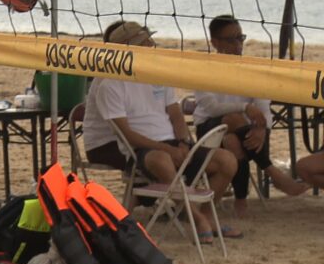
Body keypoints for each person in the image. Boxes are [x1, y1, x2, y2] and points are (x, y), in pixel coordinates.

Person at [83, 21, 241, 244]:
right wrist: (166, 148)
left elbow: (176, 115)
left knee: (227, 160)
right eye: (145, 42)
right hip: (143, 148)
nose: (152, 45)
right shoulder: (109, 84)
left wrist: (184, 141)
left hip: (169, 142)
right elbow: (127, 135)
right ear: (129, 47)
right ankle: (196, 218)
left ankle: (204, 213)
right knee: (162, 159)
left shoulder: (157, 74)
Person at [194, 15, 308, 216]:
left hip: (241, 134)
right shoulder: (204, 67)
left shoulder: (252, 68)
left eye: (241, 38)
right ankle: (273, 173)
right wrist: (245, 107)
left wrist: (262, 129)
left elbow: (264, 108)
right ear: (215, 42)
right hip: (208, 132)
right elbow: (211, 108)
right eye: (232, 39)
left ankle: (241, 200)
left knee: (233, 141)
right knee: (233, 118)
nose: (238, 44)